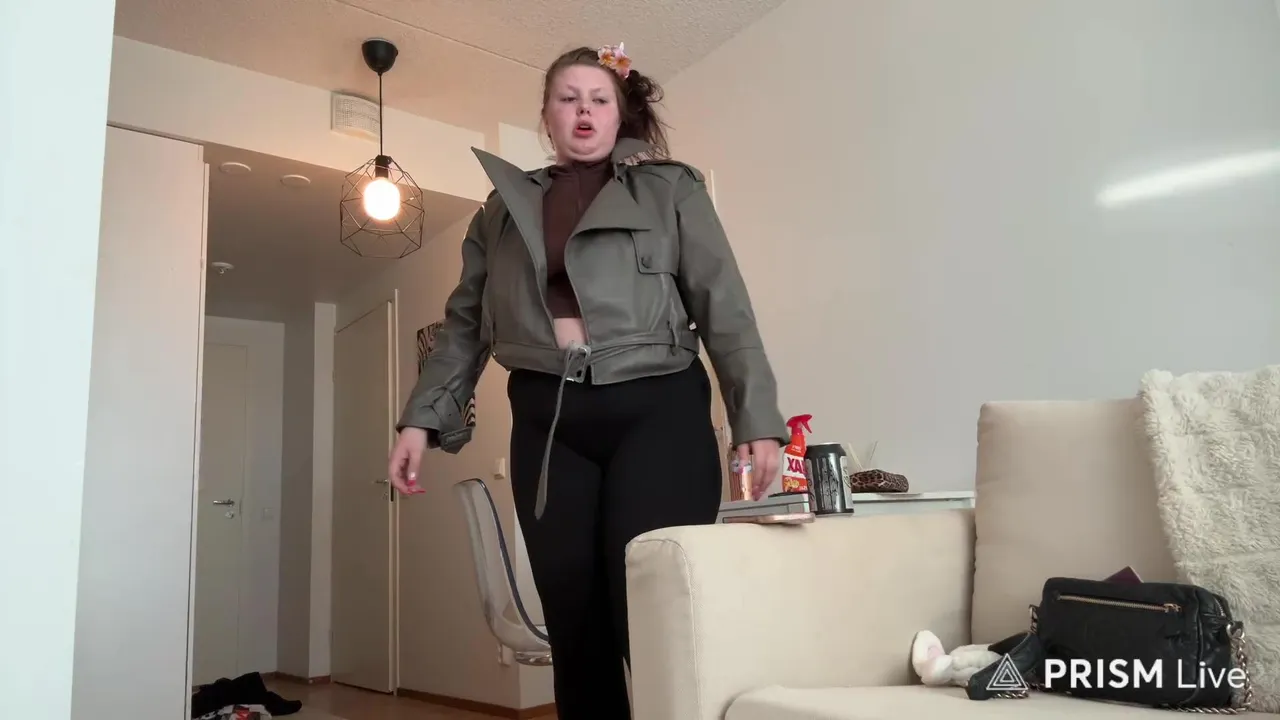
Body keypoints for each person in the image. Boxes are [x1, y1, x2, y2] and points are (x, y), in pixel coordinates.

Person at [387, 42, 786, 718]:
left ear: (618, 113)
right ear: (546, 115)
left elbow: (725, 304)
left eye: (598, 99)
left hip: (658, 412)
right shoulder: (500, 210)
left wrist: (757, 419)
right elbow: (465, 324)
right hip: (548, 422)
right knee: (575, 624)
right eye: (567, 98)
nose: (583, 111)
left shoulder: (671, 189)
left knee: (652, 615)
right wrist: (420, 420)